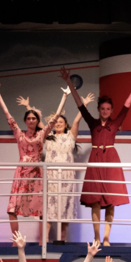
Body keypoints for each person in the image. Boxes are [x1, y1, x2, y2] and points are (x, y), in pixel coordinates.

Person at [61, 66, 131, 245]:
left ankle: (106, 238)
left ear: (111, 110)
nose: (105, 111)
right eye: (102, 108)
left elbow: (127, 104)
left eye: (108, 109)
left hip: (110, 160)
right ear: (99, 109)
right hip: (95, 161)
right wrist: (69, 82)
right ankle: (96, 236)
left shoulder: (116, 121)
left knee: (110, 201)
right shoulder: (92, 122)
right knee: (95, 200)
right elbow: (79, 104)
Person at [0, 83, 63, 236]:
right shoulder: (19, 133)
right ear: (25, 120)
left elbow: (55, 118)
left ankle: (41, 242)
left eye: (33, 118)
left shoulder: (41, 134)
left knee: (42, 209)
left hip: (37, 174)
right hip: (22, 173)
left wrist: (64, 96)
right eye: (28, 118)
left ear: (37, 120)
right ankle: (16, 240)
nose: (31, 120)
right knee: (12, 209)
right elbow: (7, 114)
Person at [42, 88, 94, 242]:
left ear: (65, 125)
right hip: (51, 176)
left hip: (66, 177)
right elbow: (41, 123)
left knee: (65, 208)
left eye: (61, 122)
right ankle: (44, 241)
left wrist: (83, 105)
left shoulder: (70, 136)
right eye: (56, 122)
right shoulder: (48, 137)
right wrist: (28, 108)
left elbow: (77, 121)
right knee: (49, 209)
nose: (58, 124)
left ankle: (62, 241)